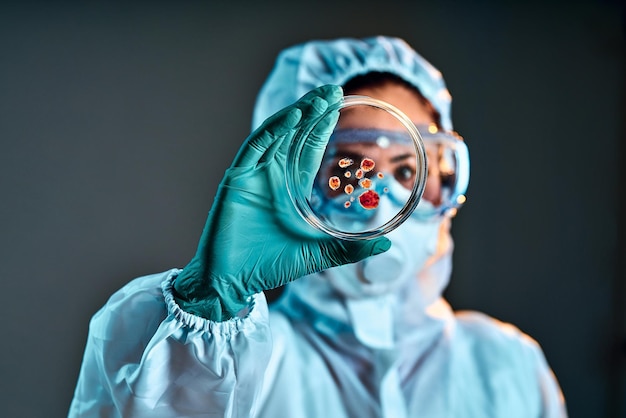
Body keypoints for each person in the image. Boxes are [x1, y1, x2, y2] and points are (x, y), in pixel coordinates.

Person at [69, 36, 567, 417]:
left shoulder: (506, 366)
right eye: (348, 169)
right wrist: (211, 305)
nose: (381, 198)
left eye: (407, 169)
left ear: (441, 180)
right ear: (290, 184)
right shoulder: (235, 365)